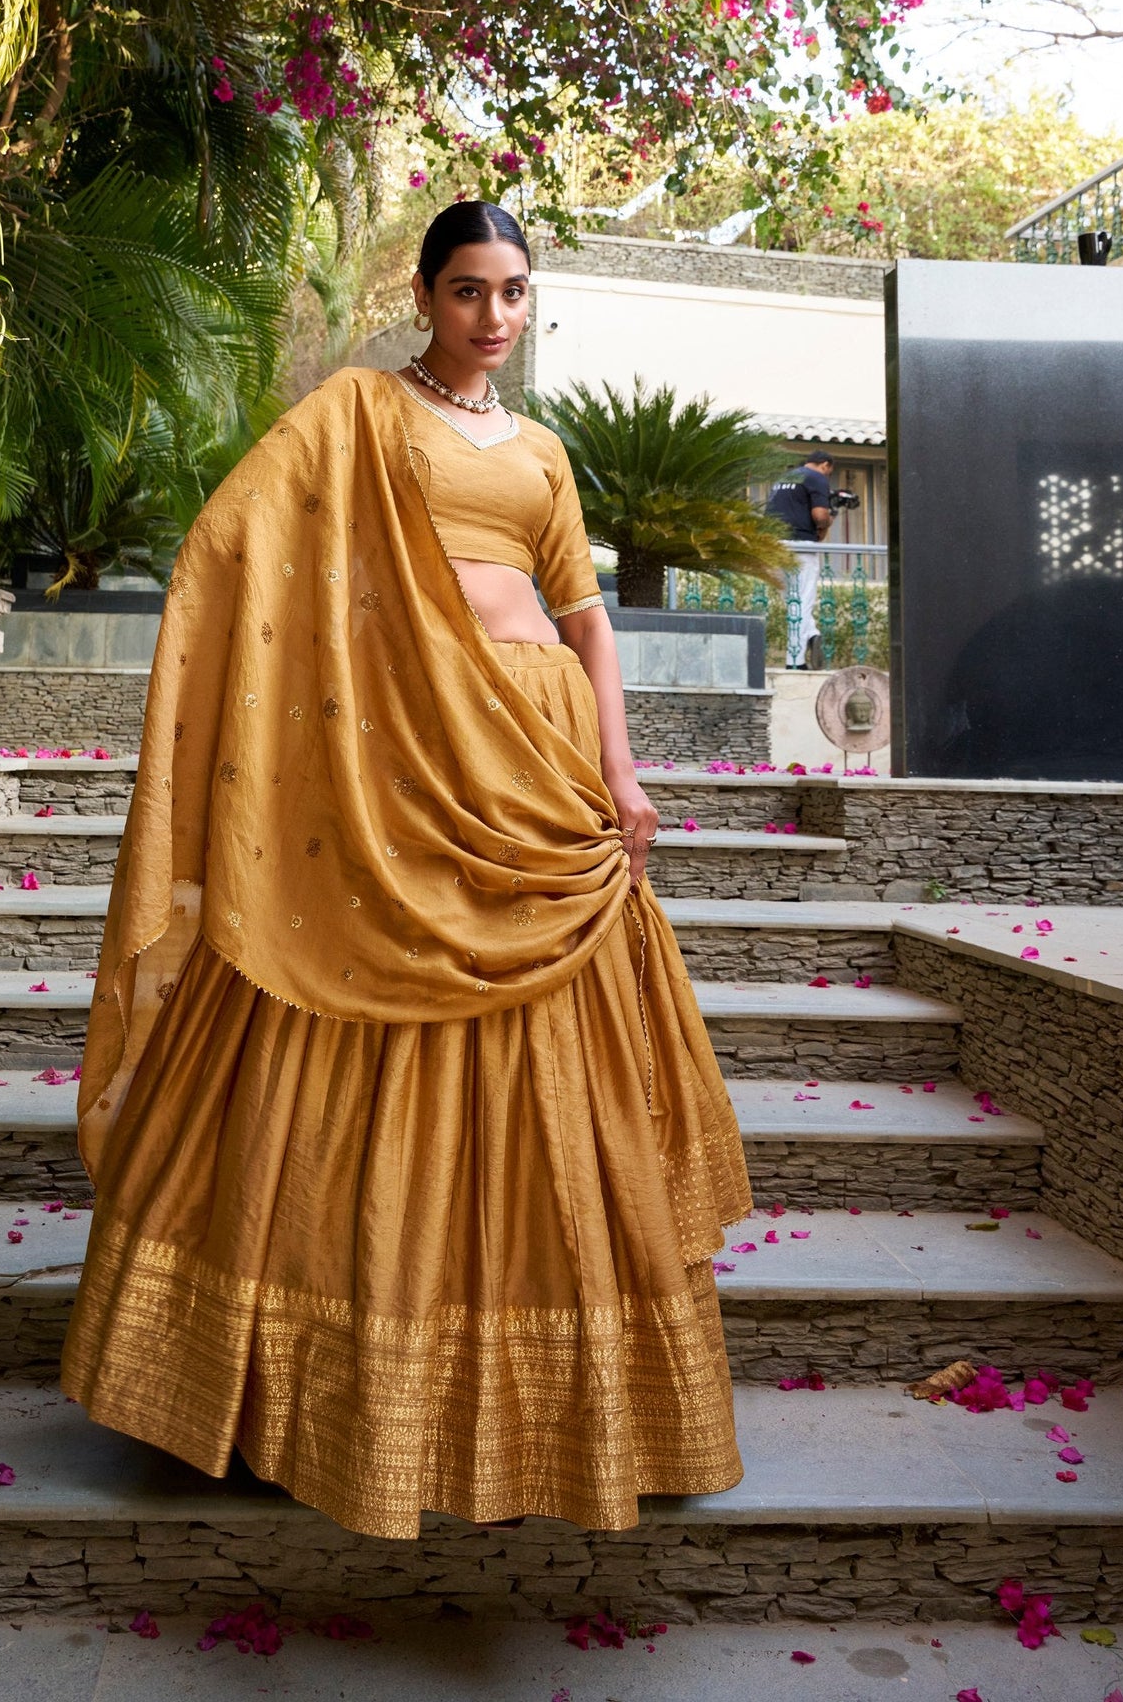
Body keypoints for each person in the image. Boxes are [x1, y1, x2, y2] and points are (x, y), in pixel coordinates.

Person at [61, 199, 751, 1540]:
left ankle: (566, 1405)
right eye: (468, 289)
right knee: (335, 1017)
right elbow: (232, 545)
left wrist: (619, 770)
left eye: (513, 290)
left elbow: (586, 619)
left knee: (567, 1067)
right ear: (425, 297)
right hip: (401, 759)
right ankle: (288, 1390)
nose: (494, 314)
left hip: (538, 754)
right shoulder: (355, 415)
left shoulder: (543, 454)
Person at [766, 449, 835, 668]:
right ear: (825, 465)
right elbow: (820, 516)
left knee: (792, 603)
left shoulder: (784, 478)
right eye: (829, 471)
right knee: (803, 601)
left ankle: (812, 634)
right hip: (800, 547)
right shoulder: (817, 477)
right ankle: (794, 662)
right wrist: (829, 520)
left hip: (773, 545)